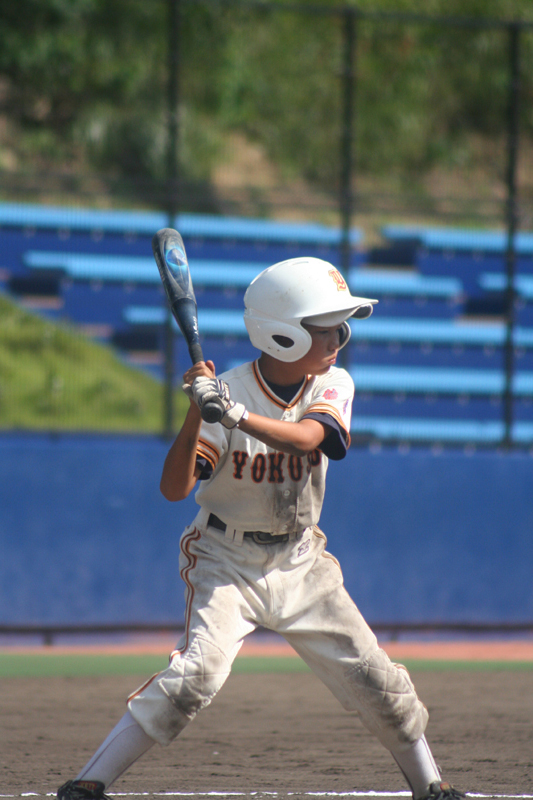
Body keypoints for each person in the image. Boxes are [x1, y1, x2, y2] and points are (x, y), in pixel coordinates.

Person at [57, 257, 466, 800]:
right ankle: (87, 784)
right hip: (226, 559)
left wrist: (232, 415)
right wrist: (197, 411)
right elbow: (174, 489)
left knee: (374, 676)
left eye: (340, 328)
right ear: (283, 333)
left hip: (302, 561)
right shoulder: (227, 391)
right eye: (326, 328)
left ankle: (431, 787)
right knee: (196, 676)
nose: (339, 339)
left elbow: (310, 439)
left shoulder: (332, 382)